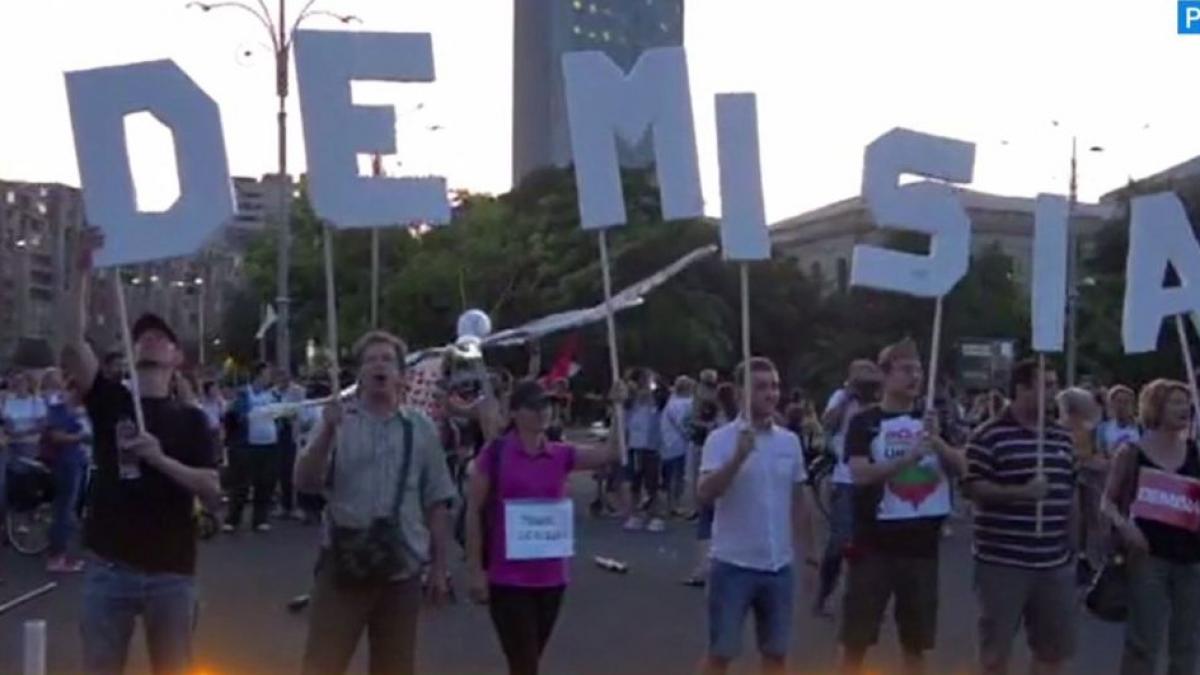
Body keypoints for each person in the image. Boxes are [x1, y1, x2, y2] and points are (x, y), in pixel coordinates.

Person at [61, 226, 222, 675]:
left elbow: (211, 491)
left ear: (176, 358)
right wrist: (82, 273)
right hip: (109, 568)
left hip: (171, 572)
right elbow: (75, 343)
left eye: (161, 337)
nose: (149, 340)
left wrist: (159, 458)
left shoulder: (192, 420)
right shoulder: (110, 399)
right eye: (142, 336)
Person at [295, 330, 457, 675]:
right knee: (322, 664)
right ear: (360, 373)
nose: (378, 366)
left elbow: (437, 502)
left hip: (402, 571)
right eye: (371, 360)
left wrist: (440, 568)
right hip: (343, 567)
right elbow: (305, 482)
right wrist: (326, 432)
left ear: (401, 374)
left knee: (395, 667)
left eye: (387, 360)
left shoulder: (421, 428)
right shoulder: (338, 423)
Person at [465, 379, 622, 675]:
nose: (543, 411)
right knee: (524, 663)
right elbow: (474, 511)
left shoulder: (561, 454)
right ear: (515, 413)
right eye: (534, 406)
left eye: (547, 404)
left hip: (551, 577)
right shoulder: (495, 454)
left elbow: (611, 453)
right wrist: (475, 570)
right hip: (507, 578)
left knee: (529, 658)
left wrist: (617, 408)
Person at [839, 339, 966, 675]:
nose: (915, 376)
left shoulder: (935, 419)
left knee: (916, 642)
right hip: (874, 544)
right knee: (858, 638)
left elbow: (963, 468)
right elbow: (860, 473)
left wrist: (936, 440)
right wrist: (906, 459)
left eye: (919, 369)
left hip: (921, 547)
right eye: (906, 369)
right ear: (885, 375)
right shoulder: (864, 422)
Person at [698, 357, 817, 675]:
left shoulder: (789, 442)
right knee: (721, 653)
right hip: (733, 565)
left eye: (775, 386)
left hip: (778, 566)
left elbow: (798, 500)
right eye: (761, 387)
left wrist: (809, 557)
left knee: (776, 655)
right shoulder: (720, 439)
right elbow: (705, 493)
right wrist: (738, 457)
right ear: (740, 393)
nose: (771, 393)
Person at [964, 358, 1076, 675]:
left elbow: (1071, 492)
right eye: (1047, 386)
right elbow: (972, 487)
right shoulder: (989, 435)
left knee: (1052, 652)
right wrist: (1021, 493)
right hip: (1002, 563)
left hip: (1054, 563)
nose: (1055, 393)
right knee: (995, 655)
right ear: (1021, 389)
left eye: (1055, 385)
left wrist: (1074, 546)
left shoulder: (1061, 437)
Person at [1100, 379, 1200, 675]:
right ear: (1155, 407)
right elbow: (1106, 503)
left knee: (1186, 644)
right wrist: (1126, 526)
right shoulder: (1132, 452)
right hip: (1147, 556)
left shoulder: (1195, 452)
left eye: (1186, 402)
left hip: (1192, 559)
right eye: (1175, 402)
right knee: (1143, 642)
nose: (1184, 408)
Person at [814, 359, 882, 618]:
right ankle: (824, 594)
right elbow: (827, 423)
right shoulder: (842, 399)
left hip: (874, 478)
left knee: (872, 543)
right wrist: (846, 399)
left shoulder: (880, 401)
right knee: (840, 541)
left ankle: (865, 598)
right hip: (845, 479)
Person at [224, 363, 281, 533]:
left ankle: (260, 519)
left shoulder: (274, 395)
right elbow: (235, 414)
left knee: (265, 483)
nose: (269, 378)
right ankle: (233, 519)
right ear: (258, 375)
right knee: (241, 483)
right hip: (248, 445)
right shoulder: (244, 393)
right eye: (266, 374)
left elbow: (280, 416)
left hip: (269, 444)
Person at [44, 377, 93, 573]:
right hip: (66, 463)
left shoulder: (82, 411)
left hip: (80, 461)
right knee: (64, 509)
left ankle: (64, 549)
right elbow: (56, 436)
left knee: (71, 509)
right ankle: (56, 557)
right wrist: (81, 437)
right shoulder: (60, 409)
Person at [1057, 387, 1105, 579]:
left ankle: (1089, 558)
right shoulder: (1059, 429)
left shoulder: (1090, 429)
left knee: (1092, 518)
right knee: (1074, 520)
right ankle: (1073, 558)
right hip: (1071, 479)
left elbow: (1094, 452)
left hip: (1089, 477)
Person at [623, 368, 664, 532]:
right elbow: (624, 422)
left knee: (653, 483)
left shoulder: (658, 401)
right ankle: (635, 515)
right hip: (634, 447)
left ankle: (655, 516)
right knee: (635, 482)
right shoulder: (630, 403)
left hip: (652, 447)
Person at [659, 376, 694, 518]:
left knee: (675, 475)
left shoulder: (672, 402)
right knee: (676, 475)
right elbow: (682, 424)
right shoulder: (679, 404)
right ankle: (673, 504)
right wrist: (691, 434)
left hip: (671, 444)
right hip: (676, 444)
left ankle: (673, 503)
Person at [274, 369, 306, 520]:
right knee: (281, 470)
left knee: (295, 470)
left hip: (293, 433)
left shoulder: (298, 391)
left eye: (285, 377)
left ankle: (296, 506)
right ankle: (284, 505)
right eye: (280, 377)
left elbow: (300, 410)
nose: (282, 380)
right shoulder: (273, 392)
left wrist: (286, 412)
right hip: (278, 433)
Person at [1097, 385, 1141, 457]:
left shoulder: (1141, 428)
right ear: (1111, 405)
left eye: (1126, 402)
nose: (1122, 406)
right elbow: (1101, 454)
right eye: (1118, 401)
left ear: (1132, 405)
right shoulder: (1102, 429)